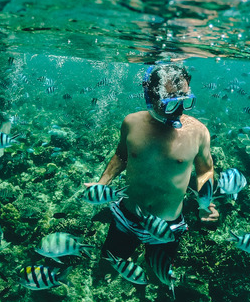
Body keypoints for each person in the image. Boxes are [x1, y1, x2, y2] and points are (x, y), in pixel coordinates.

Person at [85, 63, 219, 274]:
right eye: (170, 102)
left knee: (161, 279)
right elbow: (121, 156)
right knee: (107, 267)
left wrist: (205, 203)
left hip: (167, 227)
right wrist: (103, 184)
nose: (179, 109)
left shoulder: (199, 132)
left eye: (185, 100)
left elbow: (205, 170)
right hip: (126, 218)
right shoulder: (131, 123)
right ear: (151, 96)